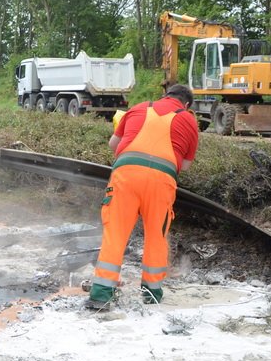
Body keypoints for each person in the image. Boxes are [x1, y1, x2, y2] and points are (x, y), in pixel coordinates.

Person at [85, 83, 200, 311]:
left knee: (115, 233)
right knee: (157, 236)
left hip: (125, 175)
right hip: (161, 181)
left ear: (164, 95)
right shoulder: (188, 120)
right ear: (186, 105)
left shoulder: (138, 108)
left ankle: (100, 295)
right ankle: (151, 295)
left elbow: (113, 144)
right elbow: (185, 165)